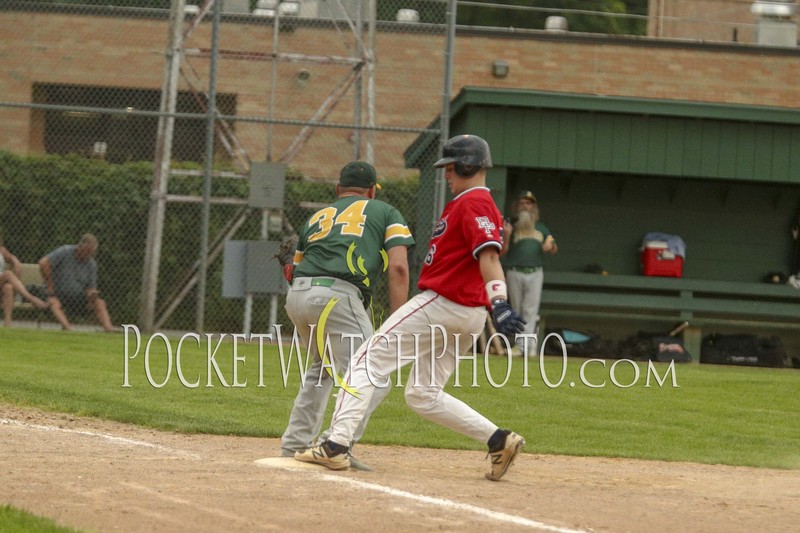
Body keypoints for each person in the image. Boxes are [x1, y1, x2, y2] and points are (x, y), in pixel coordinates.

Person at [295, 135, 527, 481]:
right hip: (468, 315)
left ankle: (335, 446)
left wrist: (500, 302)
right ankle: (498, 440)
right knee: (423, 394)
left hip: (443, 303)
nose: (446, 174)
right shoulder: (473, 203)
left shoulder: (473, 203)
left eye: (450, 167)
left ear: (466, 165)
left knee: (364, 360)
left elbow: (489, 256)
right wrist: (494, 305)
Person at [280, 161, 414, 471]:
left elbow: (293, 269)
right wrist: (398, 321)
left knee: (321, 371)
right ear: (371, 190)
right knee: (375, 377)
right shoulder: (385, 211)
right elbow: (398, 267)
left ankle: (294, 447)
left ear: (338, 189)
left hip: (298, 295)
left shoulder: (316, 217)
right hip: (337, 297)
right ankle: (333, 445)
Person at [500, 190, 558, 355]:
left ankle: (524, 348)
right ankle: (523, 347)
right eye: (522, 203)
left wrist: (550, 245)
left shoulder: (541, 228)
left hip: (535, 272)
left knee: (530, 310)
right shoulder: (511, 227)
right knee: (517, 310)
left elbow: (553, 246)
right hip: (515, 272)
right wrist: (506, 235)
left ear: (534, 207)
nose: (525, 205)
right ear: (517, 206)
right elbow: (502, 252)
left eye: (528, 203)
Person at [38, 233, 115, 331]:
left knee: (100, 303)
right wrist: (49, 286)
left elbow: (90, 288)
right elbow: (43, 263)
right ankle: (68, 328)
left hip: (76, 298)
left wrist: (92, 295)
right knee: (54, 303)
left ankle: (109, 329)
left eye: (92, 253)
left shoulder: (92, 264)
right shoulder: (65, 251)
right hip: (56, 293)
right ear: (79, 247)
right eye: (87, 252)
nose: (89, 256)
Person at [1, 235, 49, 327]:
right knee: (8, 274)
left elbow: (11, 258)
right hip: (4, 277)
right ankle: (30, 298)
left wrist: (16, 263)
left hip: (1, 283)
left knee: (8, 288)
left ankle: (7, 324)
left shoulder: (2, 250)